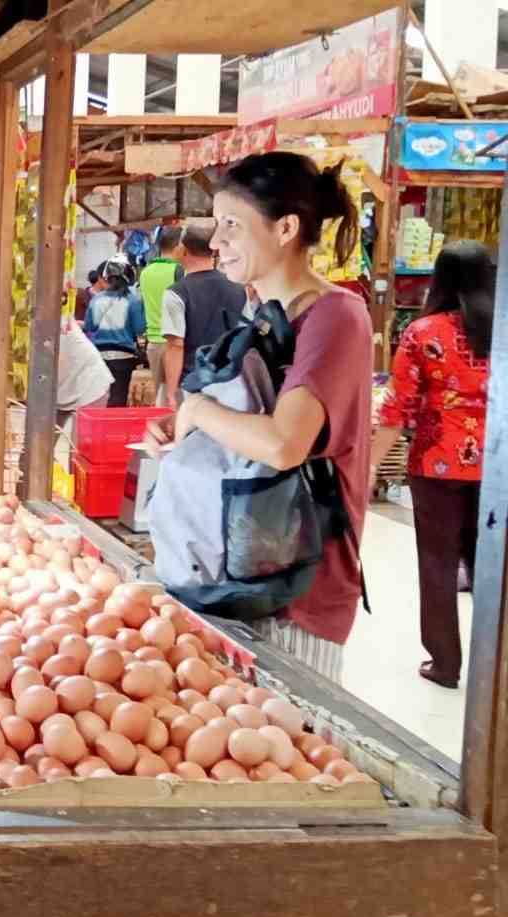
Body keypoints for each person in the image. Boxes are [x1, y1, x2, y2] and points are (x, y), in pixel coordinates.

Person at [145, 152, 372, 684]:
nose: (216, 241)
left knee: (287, 748)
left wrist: (199, 410)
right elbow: (246, 423)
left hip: (295, 586)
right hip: (236, 567)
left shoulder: (335, 317)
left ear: (286, 228)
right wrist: (186, 429)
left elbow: (284, 444)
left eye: (231, 225)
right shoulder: (261, 312)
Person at [371, 240, 494, 689]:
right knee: (494, 567)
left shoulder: (423, 332)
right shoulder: (501, 333)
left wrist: (367, 468)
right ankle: (495, 665)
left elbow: (397, 410)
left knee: (438, 564)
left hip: (436, 466)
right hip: (497, 470)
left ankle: (445, 664)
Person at [160, 222, 248, 407]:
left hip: (194, 384)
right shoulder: (239, 288)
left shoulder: (176, 293)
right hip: (231, 382)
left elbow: (176, 345)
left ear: (183, 249)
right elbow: (246, 333)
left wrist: (170, 393)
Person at [55, 310, 114, 468]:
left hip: (89, 382)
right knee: (34, 448)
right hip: (59, 385)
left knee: (80, 456)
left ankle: (78, 491)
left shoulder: (51, 318)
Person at [84, 257, 146, 407]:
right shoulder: (134, 300)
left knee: (101, 397)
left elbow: (89, 326)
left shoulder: (96, 300)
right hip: (124, 358)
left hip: (99, 357)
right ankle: (115, 429)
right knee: (118, 398)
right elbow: (140, 328)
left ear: (107, 277)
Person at [140, 226, 186, 404]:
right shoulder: (179, 271)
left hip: (153, 343)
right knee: (176, 397)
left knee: (161, 396)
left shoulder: (145, 272)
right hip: (173, 342)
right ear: (178, 246)